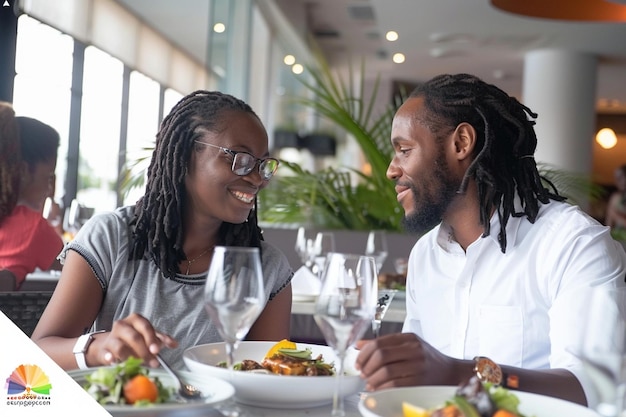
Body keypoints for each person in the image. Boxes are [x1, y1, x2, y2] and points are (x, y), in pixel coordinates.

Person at [354, 73, 626, 408]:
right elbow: (419, 390)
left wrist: (461, 373)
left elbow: (598, 388)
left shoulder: (573, 244)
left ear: (461, 144)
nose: (391, 170)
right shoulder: (426, 254)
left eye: (405, 150)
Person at [32, 90, 293, 371]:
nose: (257, 179)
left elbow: (271, 377)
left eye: (263, 165)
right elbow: (37, 354)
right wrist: (99, 348)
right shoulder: (112, 237)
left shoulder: (266, 269)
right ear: (185, 155)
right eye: (241, 159)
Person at [0, 115, 64, 289]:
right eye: (48, 177)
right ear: (24, 170)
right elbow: (76, 266)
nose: (48, 187)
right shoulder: (34, 228)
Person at [605, 164, 626, 233]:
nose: (618, 181)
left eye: (621, 177)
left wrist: (616, 215)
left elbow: (612, 214)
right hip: (617, 237)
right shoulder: (616, 197)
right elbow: (609, 222)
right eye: (617, 178)